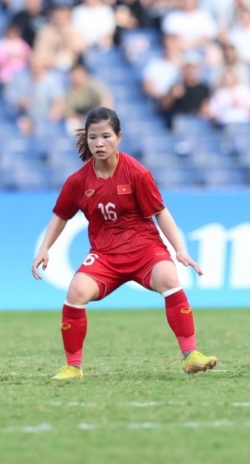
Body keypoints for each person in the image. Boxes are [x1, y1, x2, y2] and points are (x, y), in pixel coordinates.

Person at [32, 107, 218, 380]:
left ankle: (191, 355)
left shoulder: (137, 174)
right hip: (105, 255)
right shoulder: (78, 182)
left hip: (144, 249)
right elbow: (61, 215)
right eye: (93, 137)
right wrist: (44, 248)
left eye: (105, 136)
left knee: (168, 277)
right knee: (76, 292)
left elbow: (160, 212)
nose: (99, 143)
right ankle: (73, 367)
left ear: (119, 137)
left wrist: (179, 249)